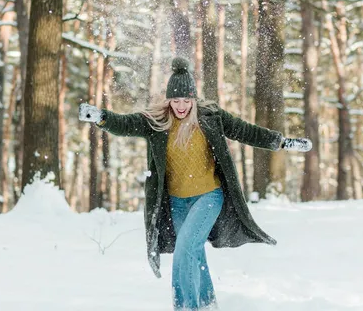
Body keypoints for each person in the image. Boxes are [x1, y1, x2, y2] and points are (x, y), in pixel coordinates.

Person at [78, 57, 312, 311]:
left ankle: (186, 308)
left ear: (194, 99)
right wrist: (100, 117)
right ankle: (207, 304)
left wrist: (282, 142)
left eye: (186, 100)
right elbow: (124, 124)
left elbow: (246, 131)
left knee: (185, 249)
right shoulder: (156, 122)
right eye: (175, 101)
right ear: (168, 100)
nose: (180, 106)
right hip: (178, 202)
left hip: (209, 196)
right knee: (194, 252)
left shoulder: (211, 117)